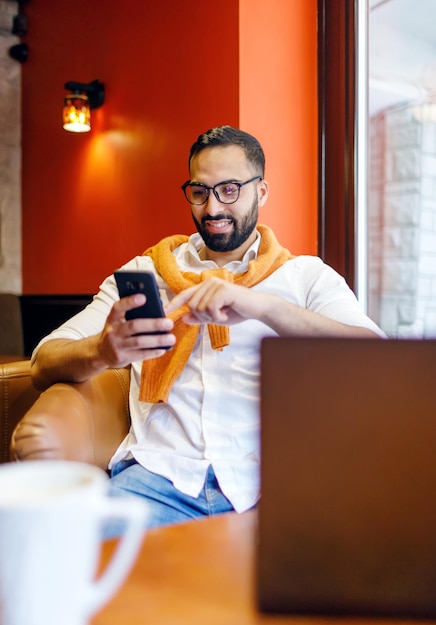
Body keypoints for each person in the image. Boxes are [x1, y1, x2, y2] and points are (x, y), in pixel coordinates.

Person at [31, 125, 384, 529]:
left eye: (230, 189)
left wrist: (263, 307)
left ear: (262, 192)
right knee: (67, 556)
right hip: (156, 480)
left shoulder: (304, 277)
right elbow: (44, 360)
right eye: (200, 192)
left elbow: (375, 357)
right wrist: (102, 352)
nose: (213, 207)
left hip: (275, 488)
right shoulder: (146, 273)